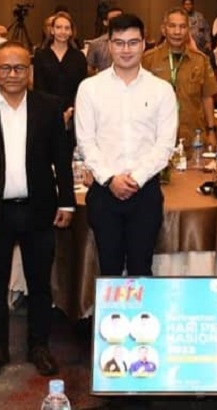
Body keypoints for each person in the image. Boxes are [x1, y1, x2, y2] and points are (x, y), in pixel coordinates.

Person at [0, 41, 74, 380]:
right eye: (5, 68)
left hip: (39, 208)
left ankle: (39, 347)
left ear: (30, 71)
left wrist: (66, 200)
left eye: (19, 67)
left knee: (40, 285)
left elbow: (62, 158)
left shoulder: (48, 107)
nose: (12, 74)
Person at [74, 14, 177, 278]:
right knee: (108, 269)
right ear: (109, 45)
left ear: (144, 44)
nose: (126, 49)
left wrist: (136, 179)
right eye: (119, 43)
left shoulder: (161, 89)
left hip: (145, 192)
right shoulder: (89, 88)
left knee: (141, 269)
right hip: (104, 192)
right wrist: (111, 179)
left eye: (133, 42)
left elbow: (165, 144)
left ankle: (142, 308)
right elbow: (85, 141)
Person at [142, 7, 217, 146]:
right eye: (172, 26)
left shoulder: (200, 60)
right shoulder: (148, 60)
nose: (177, 32)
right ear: (163, 29)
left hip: (193, 137)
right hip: (157, 138)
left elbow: (207, 97)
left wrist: (211, 130)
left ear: (188, 30)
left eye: (182, 27)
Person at [32, 11, 88, 121]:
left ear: (71, 32)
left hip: (74, 113)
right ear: (52, 30)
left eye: (67, 28)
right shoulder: (41, 55)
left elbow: (82, 87)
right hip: (47, 113)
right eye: (58, 27)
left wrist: (71, 111)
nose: (63, 31)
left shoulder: (79, 57)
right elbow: (38, 88)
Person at [86, 7, 123, 74]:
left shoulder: (133, 42)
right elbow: (89, 69)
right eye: (113, 19)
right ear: (105, 22)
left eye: (120, 18)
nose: (117, 21)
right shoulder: (96, 44)